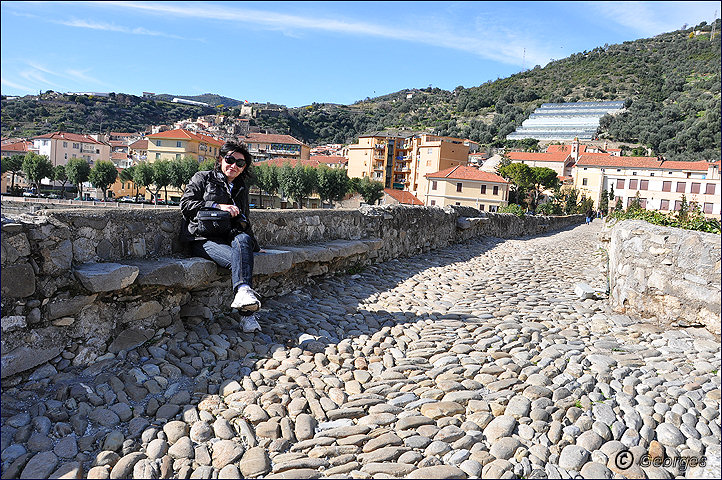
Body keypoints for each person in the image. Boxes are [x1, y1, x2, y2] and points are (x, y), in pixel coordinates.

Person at [179, 140, 262, 333]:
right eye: (230, 160)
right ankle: (247, 318)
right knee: (240, 260)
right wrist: (217, 206)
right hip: (202, 239)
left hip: (229, 238)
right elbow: (186, 205)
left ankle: (242, 293)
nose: (234, 165)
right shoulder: (203, 178)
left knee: (244, 241)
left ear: (244, 168)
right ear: (220, 159)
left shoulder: (241, 187)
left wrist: (255, 246)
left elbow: (244, 220)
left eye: (240, 163)